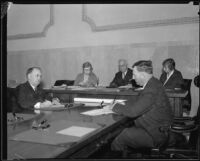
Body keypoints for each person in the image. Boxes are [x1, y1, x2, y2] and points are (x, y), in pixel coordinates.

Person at [111, 60, 173, 152]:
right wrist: (124, 103)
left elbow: (133, 112)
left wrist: (114, 106)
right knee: (124, 130)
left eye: (134, 75)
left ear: (143, 75)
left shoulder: (151, 89)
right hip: (155, 128)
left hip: (155, 134)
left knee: (120, 138)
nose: (132, 77)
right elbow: (140, 102)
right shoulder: (153, 83)